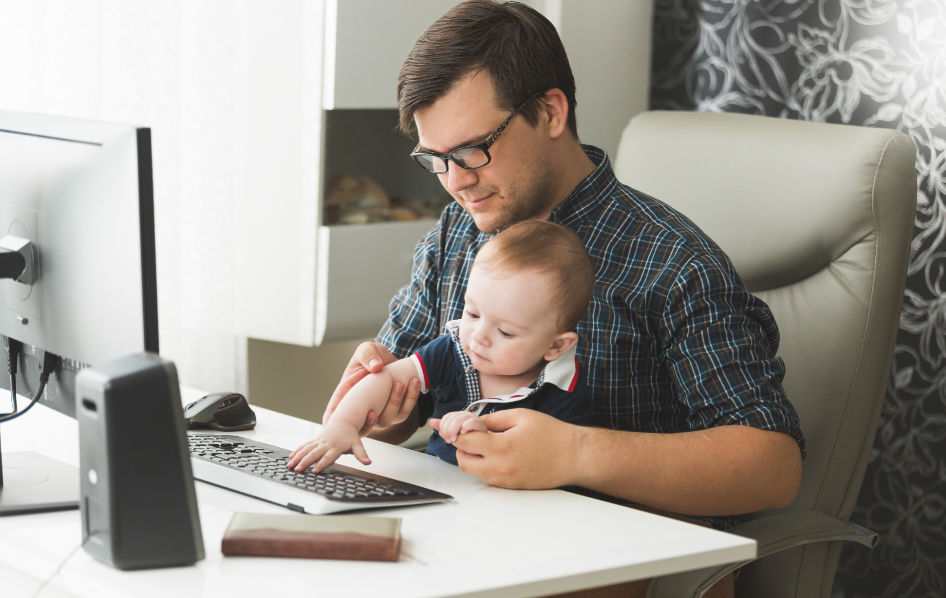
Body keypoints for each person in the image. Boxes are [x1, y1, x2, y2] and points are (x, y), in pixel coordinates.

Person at [320, 2, 805, 595]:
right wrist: (381, 409)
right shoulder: (454, 235)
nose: (456, 180)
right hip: (463, 542)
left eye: (472, 149)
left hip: (611, 566)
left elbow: (772, 467)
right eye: (435, 159)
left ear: (550, 111)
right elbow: (397, 412)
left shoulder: (673, 262)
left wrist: (576, 452)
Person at [289, 220, 595, 472]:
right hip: (437, 488)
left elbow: (548, 462)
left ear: (556, 346)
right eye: (473, 313)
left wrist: (481, 431)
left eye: (505, 331)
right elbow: (386, 378)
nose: (478, 336)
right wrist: (344, 424)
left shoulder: (563, 392)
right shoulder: (453, 350)